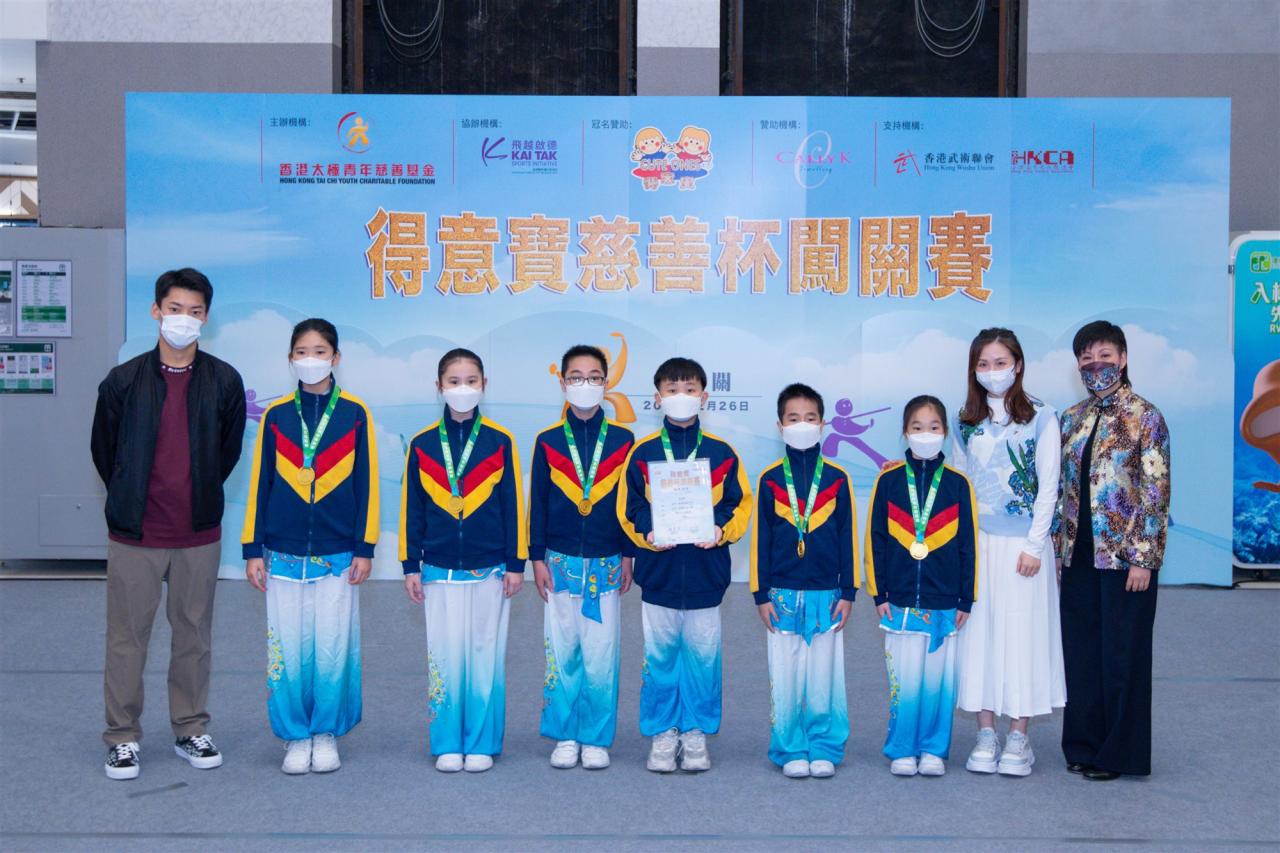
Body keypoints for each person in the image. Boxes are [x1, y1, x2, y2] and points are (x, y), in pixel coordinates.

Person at [90, 268, 246, 780]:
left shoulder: (223, 381)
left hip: (197, 533)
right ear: (156, 311)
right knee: (127, 638)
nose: (184, 319)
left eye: (195, 312)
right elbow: (105, 452)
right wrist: (130, 495)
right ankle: (122, 736)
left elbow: (226, 452)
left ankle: (190, 727)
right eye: (175, 309)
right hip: (136, 533)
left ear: (206, 318)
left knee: (194, 635)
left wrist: (197, 494)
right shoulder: (123, 381)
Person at [241, 318, 379, 774]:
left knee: (333, 644)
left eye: (320, 352)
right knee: (287, 645)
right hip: (281, 551)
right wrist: (252, 548)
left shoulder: (355, 413)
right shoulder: (277, 416)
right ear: (290, 359)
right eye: (302, 351)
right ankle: (295, 735)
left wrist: (365, 547)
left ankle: (325, 732)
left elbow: (367, 483)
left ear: (336, 358)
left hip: (338, 552)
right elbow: (260, 482)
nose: (310, 359)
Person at [616, 356, 751, 773]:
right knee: (659, 657)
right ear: (657, 398)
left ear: (704, 397)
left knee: (702, 657)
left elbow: (740, 505)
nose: (681, 396)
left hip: (706, 576)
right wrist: (647, 533)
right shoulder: (642, 453)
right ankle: (662, 732)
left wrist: (721, 530)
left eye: (690, 389)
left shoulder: (722, 453)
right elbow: (628, 507)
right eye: (672, 390)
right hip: (658, 576)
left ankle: (694, 732)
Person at [399, 348, 526, 773]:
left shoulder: (500, 441)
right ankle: (447, 741)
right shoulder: (422, 445)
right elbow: (412, 509)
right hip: (438, 568)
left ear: (484, 385)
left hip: (490, 567)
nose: (463, 388)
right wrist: (410, 565)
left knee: (485, 654)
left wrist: (515, 563)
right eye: (453, 381)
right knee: (444, 654)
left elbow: (512, 505)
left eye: (471, 380)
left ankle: (482, 742)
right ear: (439, 387)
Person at [1055, 321, 1170, 780]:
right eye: (1085, 357)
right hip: (1078, 556)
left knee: (1123, 655)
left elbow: (1155, 492)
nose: (1094, 364)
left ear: (1122, 359)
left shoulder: (1146, 416)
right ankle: (1083, 745)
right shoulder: (1071, 418)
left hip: (1124, 559)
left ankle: (1118, 754)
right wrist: (1058, 548)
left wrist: (1143, 557)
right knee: (1081, 652)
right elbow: (1059, 488)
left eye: (1104, 355)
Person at [950, 328, 1066, 777]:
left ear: (1017, 365)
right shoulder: (965, 421)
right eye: (983, 364)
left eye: (1000, 363)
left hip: (1024, 547)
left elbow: (1049, 486)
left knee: (1023, 637)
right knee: (979, 636)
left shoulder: (1042, 416)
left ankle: (1019, 735)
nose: (992, 372)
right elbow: (958, 483)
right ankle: (985, 733)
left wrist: (1035, 545)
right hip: (979, 545)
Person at [528, 345, 636, 770]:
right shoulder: (548, 441)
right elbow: (538, 503)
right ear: (562, 383)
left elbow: (630, 504)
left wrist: (628, 554)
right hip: (559, 563)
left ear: (606, 383)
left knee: (601, 654)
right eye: (576, 377)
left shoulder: (624, 441)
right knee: (562, 651)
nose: (584, 384)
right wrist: (536, 558)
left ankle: (595, 736)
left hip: (607, 561)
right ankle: (564, 733)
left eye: (593, 377)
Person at [864, 395, 978, 777]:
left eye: (933, 427)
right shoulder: (889, 481)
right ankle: (902, 748)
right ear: (904, 432)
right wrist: (879, 593)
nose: (925, 434)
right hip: (898, 600)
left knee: (938, 681)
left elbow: (968, 546)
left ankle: (933, 749)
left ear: (944, 433)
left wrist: (966, 598)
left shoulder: (959, 485)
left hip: (945, 602)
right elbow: (876, 539)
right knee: (904, 679)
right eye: (917, 427)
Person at [750, 383, 857, 779]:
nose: (802, 425)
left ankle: (824, 745)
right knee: (785, 674)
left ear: (823, 424)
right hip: (781, 593)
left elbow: (847, 537)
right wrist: (761, 594)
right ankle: (790, 746)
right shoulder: (769, 479)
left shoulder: (838, 478)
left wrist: (849, 591)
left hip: (827, 593)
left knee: (824, 675)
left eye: (810, 418)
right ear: (780, 426)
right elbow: (760, 540)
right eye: (793, 419)